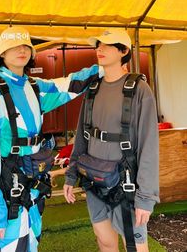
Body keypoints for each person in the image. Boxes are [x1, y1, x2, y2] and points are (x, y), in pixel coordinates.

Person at [0, 25, 104, 252]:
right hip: (9, 189)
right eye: (13, 46)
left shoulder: (34, 87)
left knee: (32, 243)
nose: (20, 50)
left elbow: (69, 85)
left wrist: (102, 70)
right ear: (1, 53)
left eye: (25, 45)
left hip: (34, 186)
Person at [64, 29, 159, 252]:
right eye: (98, 45)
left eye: (107, 45)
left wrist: (145, 197)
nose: (99, 49)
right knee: (104, 242)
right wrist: (70, 175)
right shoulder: (92, 89)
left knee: (135, 246)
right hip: (93, 181)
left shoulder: (139, 90)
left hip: (126, 184)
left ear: (124, 50)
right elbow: (81, 137)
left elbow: (149, 146)